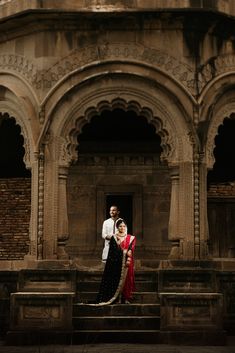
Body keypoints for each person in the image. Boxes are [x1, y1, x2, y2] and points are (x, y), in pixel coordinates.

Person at [96, 219, 136, 305]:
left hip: (127, 263)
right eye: (120, 226)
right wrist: (121, 248)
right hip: (116, 263)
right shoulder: (114, 237)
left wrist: (128, 252)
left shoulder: (131, 238)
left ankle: (125, 298)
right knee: (117, 280)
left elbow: (131, 250)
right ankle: (116, 298)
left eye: (124, 226)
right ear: (117, 227)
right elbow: (112, 252)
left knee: (126, 280)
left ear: (126, 227)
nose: (122, 228)